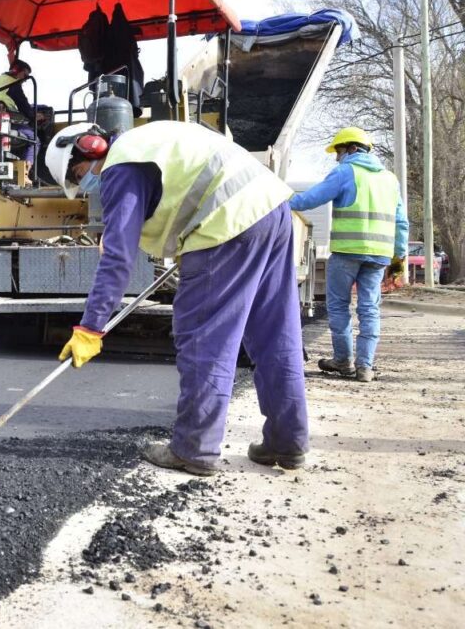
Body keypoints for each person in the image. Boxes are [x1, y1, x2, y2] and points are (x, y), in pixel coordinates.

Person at [52, 121, 309, 476]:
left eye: (79, 174)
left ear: (89, 149)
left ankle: (194, 449)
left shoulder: (121, 166)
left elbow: (117, 258)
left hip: (226, 225)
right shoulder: (146, 143)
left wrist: (91, 326)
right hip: (272, 211)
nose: (86, 185)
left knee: (205, 339)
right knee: (274, 334)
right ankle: (288, 441)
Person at [289, 127, 408, 383]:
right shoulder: (390, 179)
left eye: (339, 152)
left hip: (347, 253)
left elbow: (311, 198)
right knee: (369, 309)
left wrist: (280, 201)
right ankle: (365, 367)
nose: (337, 158)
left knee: (339, 306)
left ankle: (343, 361)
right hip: (378, 256)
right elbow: (401, 222)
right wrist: (398, 260)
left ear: (353, 148)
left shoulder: (346, 171)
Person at [0, 59, 37, 170]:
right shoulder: (13, 84)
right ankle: (27, 171)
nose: (25, 80)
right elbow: (24, 106)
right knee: (34, 139)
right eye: (25, 75)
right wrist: (35, 116)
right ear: (17, 71)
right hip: (2, 127)